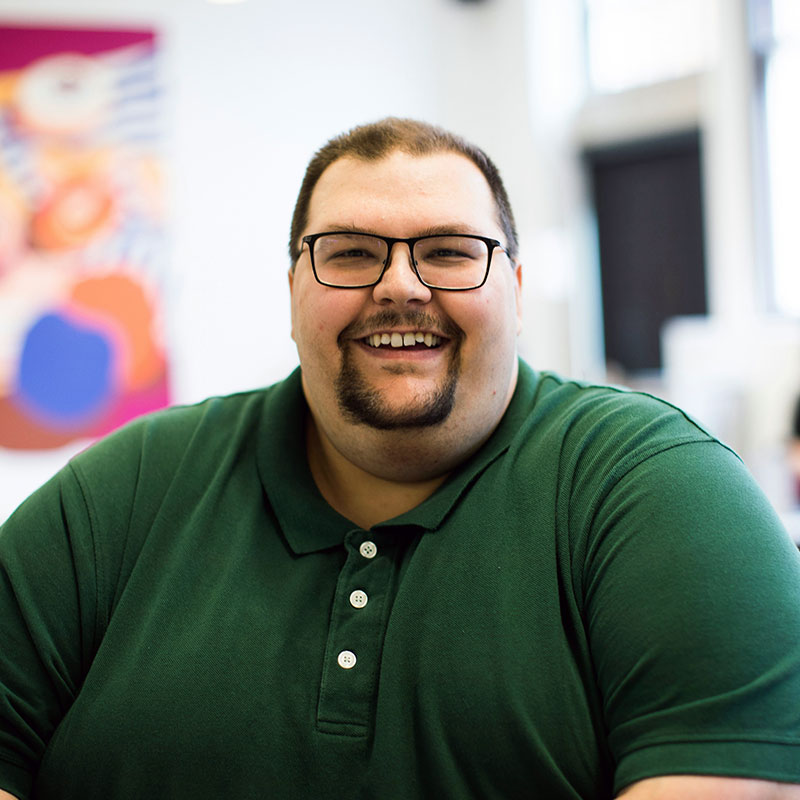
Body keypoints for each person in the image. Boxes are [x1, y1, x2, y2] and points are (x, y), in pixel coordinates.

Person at [1, 118, 800, 800]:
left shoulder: (659, 494)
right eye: (350, 253)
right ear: (292, 293)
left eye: (450, 252)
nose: (401, 286)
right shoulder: (126, 491)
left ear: (516, 292)